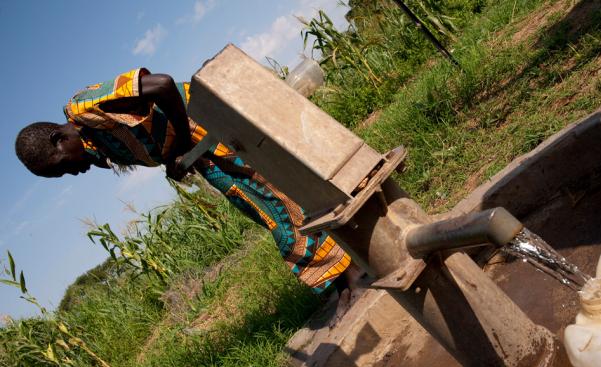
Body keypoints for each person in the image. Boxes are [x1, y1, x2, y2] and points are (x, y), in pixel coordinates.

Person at [15, 68, 361, 294]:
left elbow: (162, 85)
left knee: (270, 197)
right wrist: (173, 161)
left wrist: (181, 143)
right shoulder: (93, 145)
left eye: (64, 166)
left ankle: (346, 276)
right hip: (198, 149)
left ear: (59, 140)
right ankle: (343, 271)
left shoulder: (85, 107)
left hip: (208, 125)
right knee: (260, 205)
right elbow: (149, 138)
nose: (73, 173)